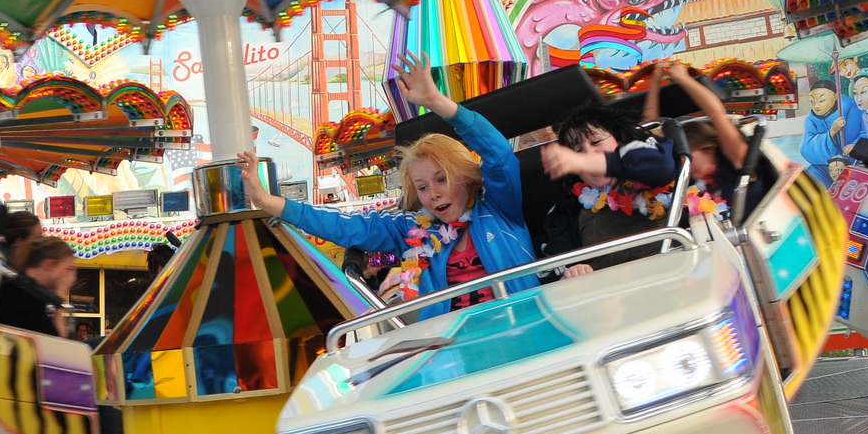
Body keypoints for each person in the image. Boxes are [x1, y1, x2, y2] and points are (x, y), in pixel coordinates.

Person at [239, 56, 537, 318]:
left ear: (466, 176)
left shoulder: (499, 208)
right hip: (454, 340)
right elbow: (345, 226)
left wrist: (437, 102)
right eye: (422, 187)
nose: (433, 194)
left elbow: (499, 155)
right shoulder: (412, 229)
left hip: (521, 323)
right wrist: (265, 201)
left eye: (441, 179)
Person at [541, 74, 679, 274]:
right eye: (577, 150)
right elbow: (555, 266)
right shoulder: (565, 209)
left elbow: (663, 166)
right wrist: (572, 272)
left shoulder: (649, 159)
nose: (589, 153)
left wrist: (584, 161)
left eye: (596, 142)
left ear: (619, 140)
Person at [658, 60, 764, 219]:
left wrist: (683, 78)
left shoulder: (736, 165)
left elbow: (716, 113)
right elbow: (651, 130)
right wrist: (655, 83)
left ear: (708, 149)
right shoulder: (690, 183)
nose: (684, 166)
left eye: (687, 158)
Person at [0, 238, 80, 337]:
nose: (72, 276)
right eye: (69, 269)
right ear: (49, 265)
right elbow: (55, 339)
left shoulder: (25, 286)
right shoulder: (27, 296)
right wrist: (60, 294)